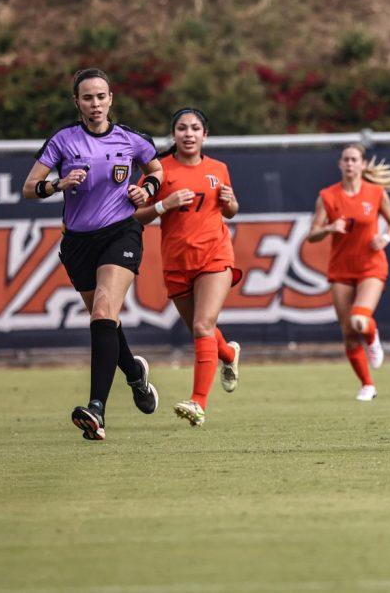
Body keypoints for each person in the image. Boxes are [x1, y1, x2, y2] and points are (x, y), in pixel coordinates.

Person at [22, 68, 163, 441]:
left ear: (111, 99)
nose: (95, 104)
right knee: (107, 320)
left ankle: (96, 409)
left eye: (101, 97)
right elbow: (28, 188)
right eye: (87, 98)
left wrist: (146, 189)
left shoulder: (131, 139)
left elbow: (157, 169)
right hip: (78, 243)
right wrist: (57, 184)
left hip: (121, 232)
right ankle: (134, 373)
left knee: (102, 313)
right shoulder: (63, 141)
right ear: (77, 102)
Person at [133, 108, 242, 427]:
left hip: (215, 255)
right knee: (201, 327)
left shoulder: (218, 168)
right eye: (182, 128)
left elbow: (231, 210)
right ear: (174, 134)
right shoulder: (159, 170)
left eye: (195, 128)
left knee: (202, 327)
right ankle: (229, 354)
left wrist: (231, 200)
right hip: (177, 261)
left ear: (204, 135)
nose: (189, 133)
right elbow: (136, 214)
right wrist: (163, 204)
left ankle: (198, 402)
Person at [305, 144, 390, 402]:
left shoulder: (375, 193)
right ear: (340, 164)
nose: (350, 164)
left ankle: (373, 339)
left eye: (354, 159)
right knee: (349, 332)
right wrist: (329, 228)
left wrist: (385, 238)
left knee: (360, 320)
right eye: (346, 159)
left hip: (371, 265)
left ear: (362, 164)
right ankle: (367, 385)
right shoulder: (327, 196)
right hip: (341, 269)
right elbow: (312, 235)